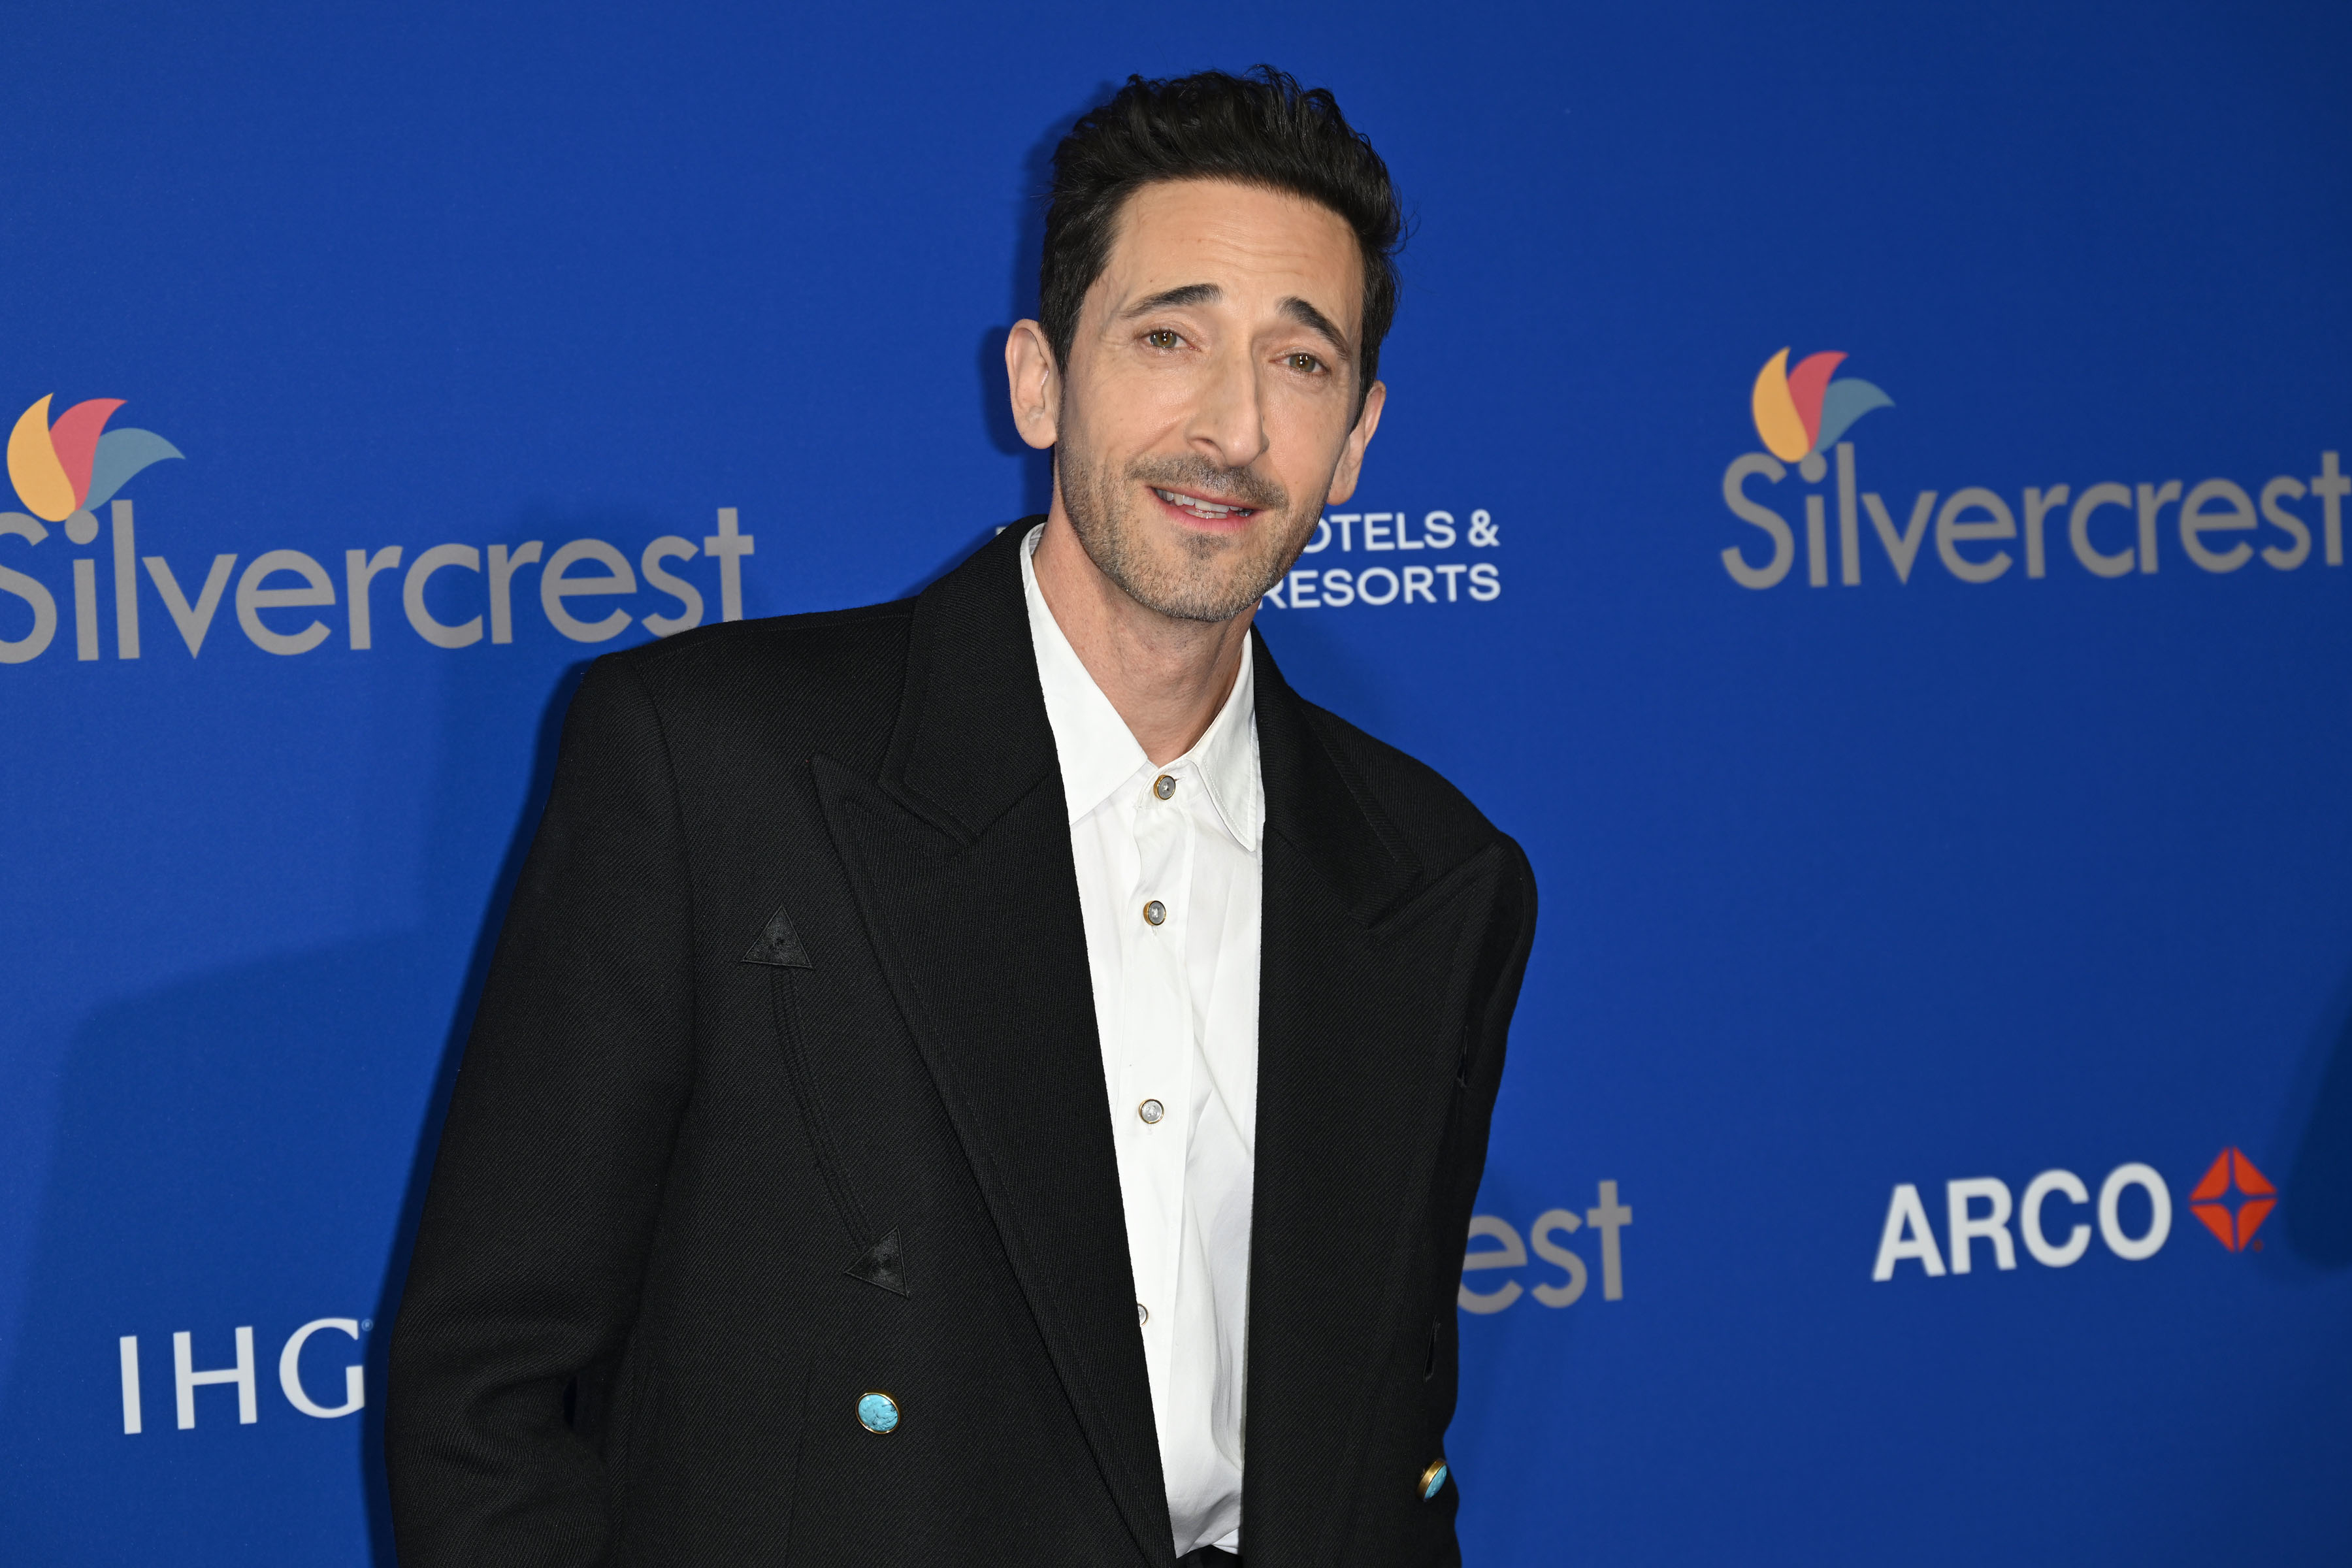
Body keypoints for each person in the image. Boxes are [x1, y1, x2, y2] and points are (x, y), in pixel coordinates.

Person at [387, 65, 1535, 1568]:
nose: (1233, 427)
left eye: (1300, 365)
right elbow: (487, 1397)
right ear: (1040, 380)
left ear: (1360, 435)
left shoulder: (1438, 881)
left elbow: (1391, 1442)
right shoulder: (715, 770)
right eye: (1170, 337)